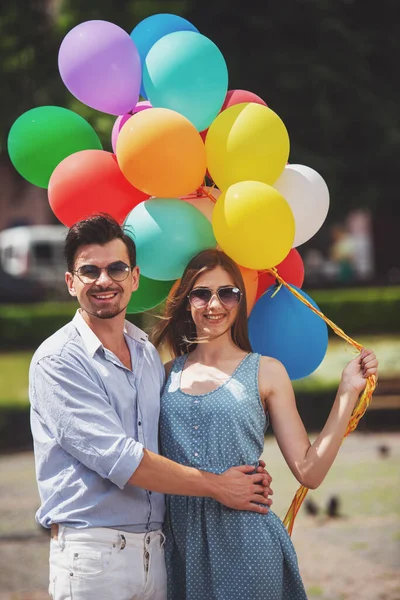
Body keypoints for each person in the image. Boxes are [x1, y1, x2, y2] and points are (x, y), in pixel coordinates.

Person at [28, 215, 273, 600]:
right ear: (70, 282)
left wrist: (244, 474)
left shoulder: (144, 352)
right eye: (89, 270)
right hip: (93, 556)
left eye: (117, 268)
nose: (104, 280)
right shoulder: (58, 360)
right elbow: (122, 460)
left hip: (158, 554)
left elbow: (176, 435)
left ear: (135, 277)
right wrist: (219, 486)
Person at [153, 248, 379, 600]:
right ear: (186, 301)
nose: (215, 304)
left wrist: (347, 393)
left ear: (241, 301)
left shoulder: (266, 371)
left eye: (227, 293)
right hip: (178, 548)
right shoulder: (163, 375)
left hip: (249, 547)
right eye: (202, 293)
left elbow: (309, 471)